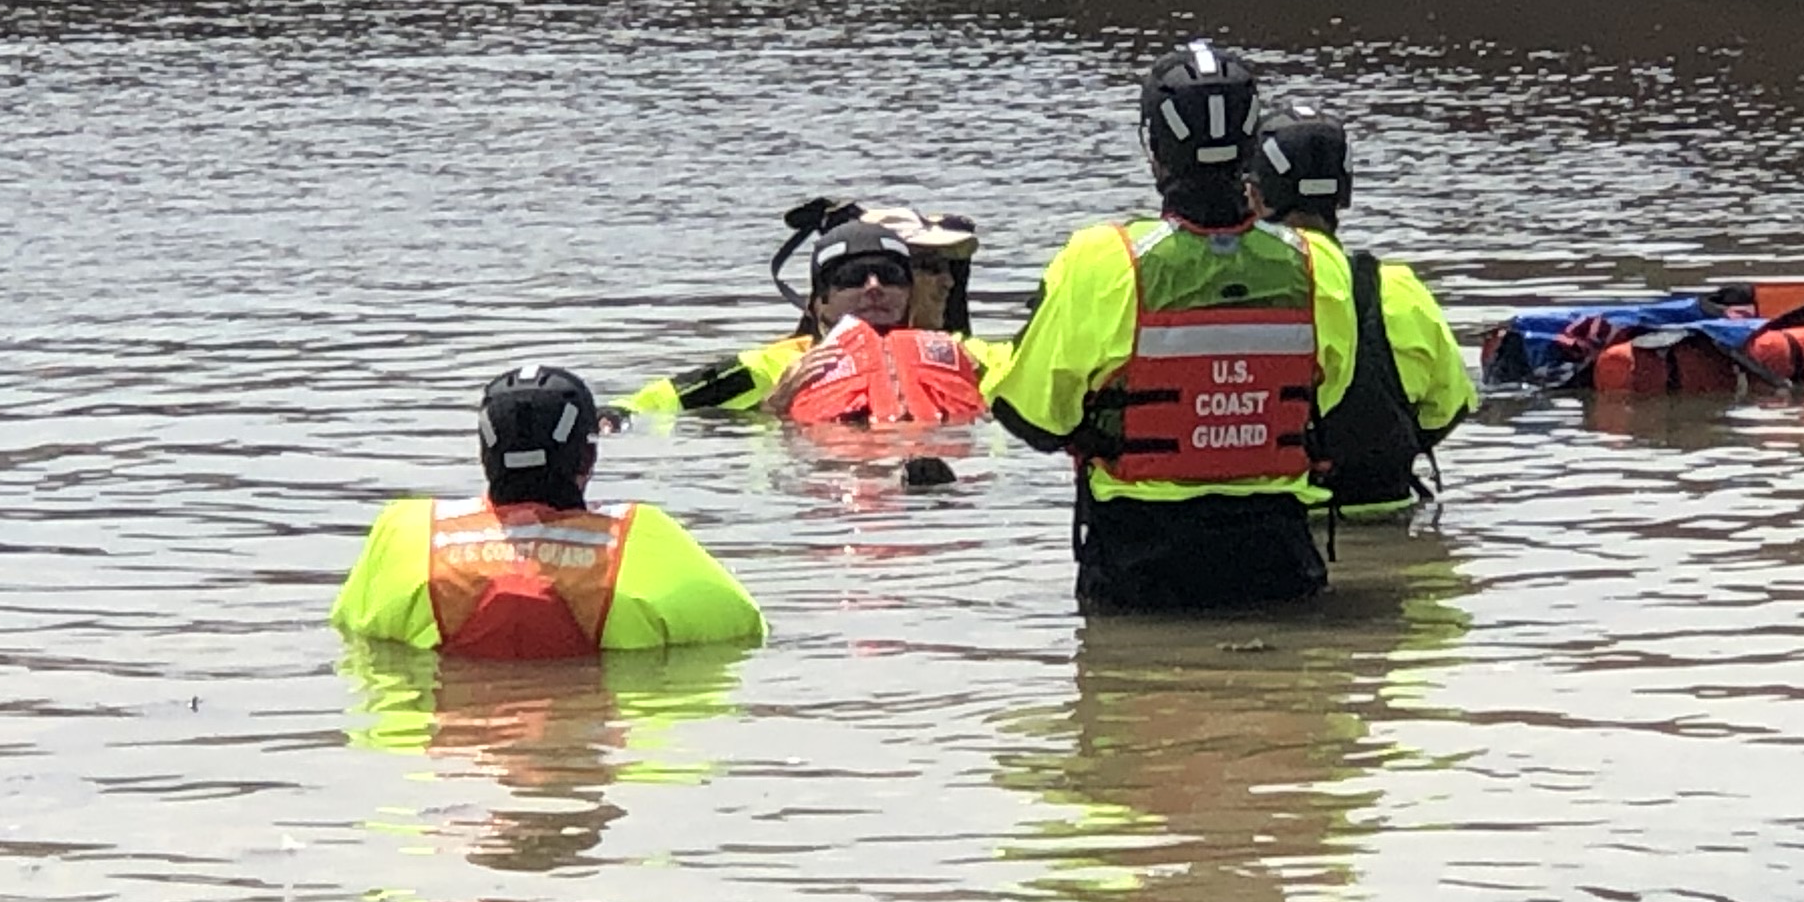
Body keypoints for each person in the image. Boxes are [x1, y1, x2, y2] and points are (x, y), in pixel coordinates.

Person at [990, 39, 1358, 612]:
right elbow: (1327, 398)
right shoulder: (1318, 264)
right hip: (1280, 558)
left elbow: (1031, 416)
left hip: (1138, 566)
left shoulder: (1101, 260)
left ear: (1153, 151)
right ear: (1250, 146)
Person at [331, 365, 763, 658]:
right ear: (587, 460)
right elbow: (745, 629)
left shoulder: (406, 534)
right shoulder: (645, 541)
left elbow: (349, 629)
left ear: (486, 456)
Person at [1249, 105, 1474, 518]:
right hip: (1391, 514)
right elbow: (1449, 405)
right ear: (1344, 192)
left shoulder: (1240, 290)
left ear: (1254, 195)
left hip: (1279, 533)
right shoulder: (1398, 288)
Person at [626, 208, 1004, 428]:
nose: (874, 288)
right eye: (853, 279)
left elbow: (1043, 378)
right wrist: (773, 410)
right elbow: (636, 411)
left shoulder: (967, 357)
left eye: (892, 276)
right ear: (819, 302)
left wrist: (981, 388)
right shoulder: (774, 366)